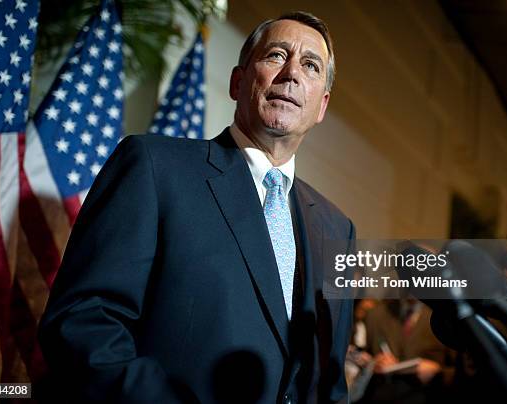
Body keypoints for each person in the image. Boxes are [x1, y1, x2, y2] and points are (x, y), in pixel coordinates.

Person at [38, 11, 356, 404]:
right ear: (238, 81)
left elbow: (330, 381)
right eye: (276, 55)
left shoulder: (337, 229)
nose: (292, 73)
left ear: (321, 105)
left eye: (311, 65)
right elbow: (84, 322)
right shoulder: (154, 168)